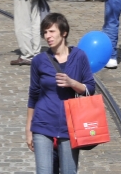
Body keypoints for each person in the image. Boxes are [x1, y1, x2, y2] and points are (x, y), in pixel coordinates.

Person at [26, 13, 95, 174]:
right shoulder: (39, 61)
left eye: (51, 31)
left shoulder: (79, 56)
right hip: (42, 123)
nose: (48, 36)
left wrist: (72, 83)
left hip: (70, 126)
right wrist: (28, 129)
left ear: (63, 33)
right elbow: (33, 95)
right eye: (45, 32)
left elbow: (90, 88)